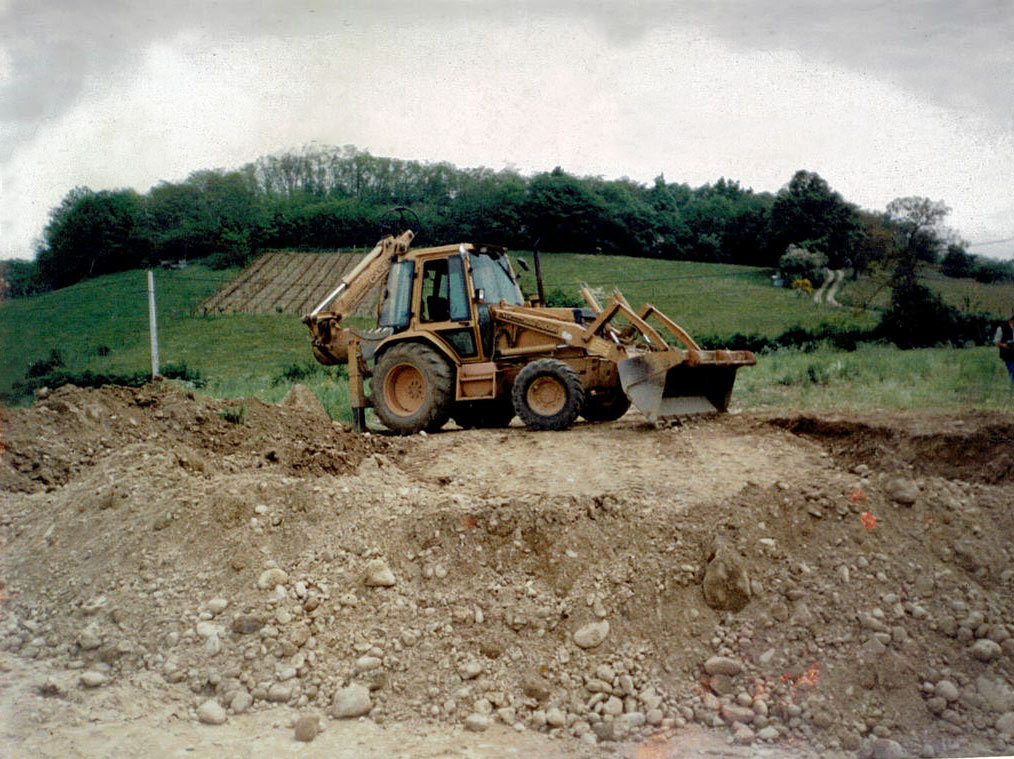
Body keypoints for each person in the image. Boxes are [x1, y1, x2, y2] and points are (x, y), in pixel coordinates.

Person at [996, 312, 1014, 399]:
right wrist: (1004, 345)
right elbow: (996, 341)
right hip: (1008, 354)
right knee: (1013, 371)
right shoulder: (1001, 328)